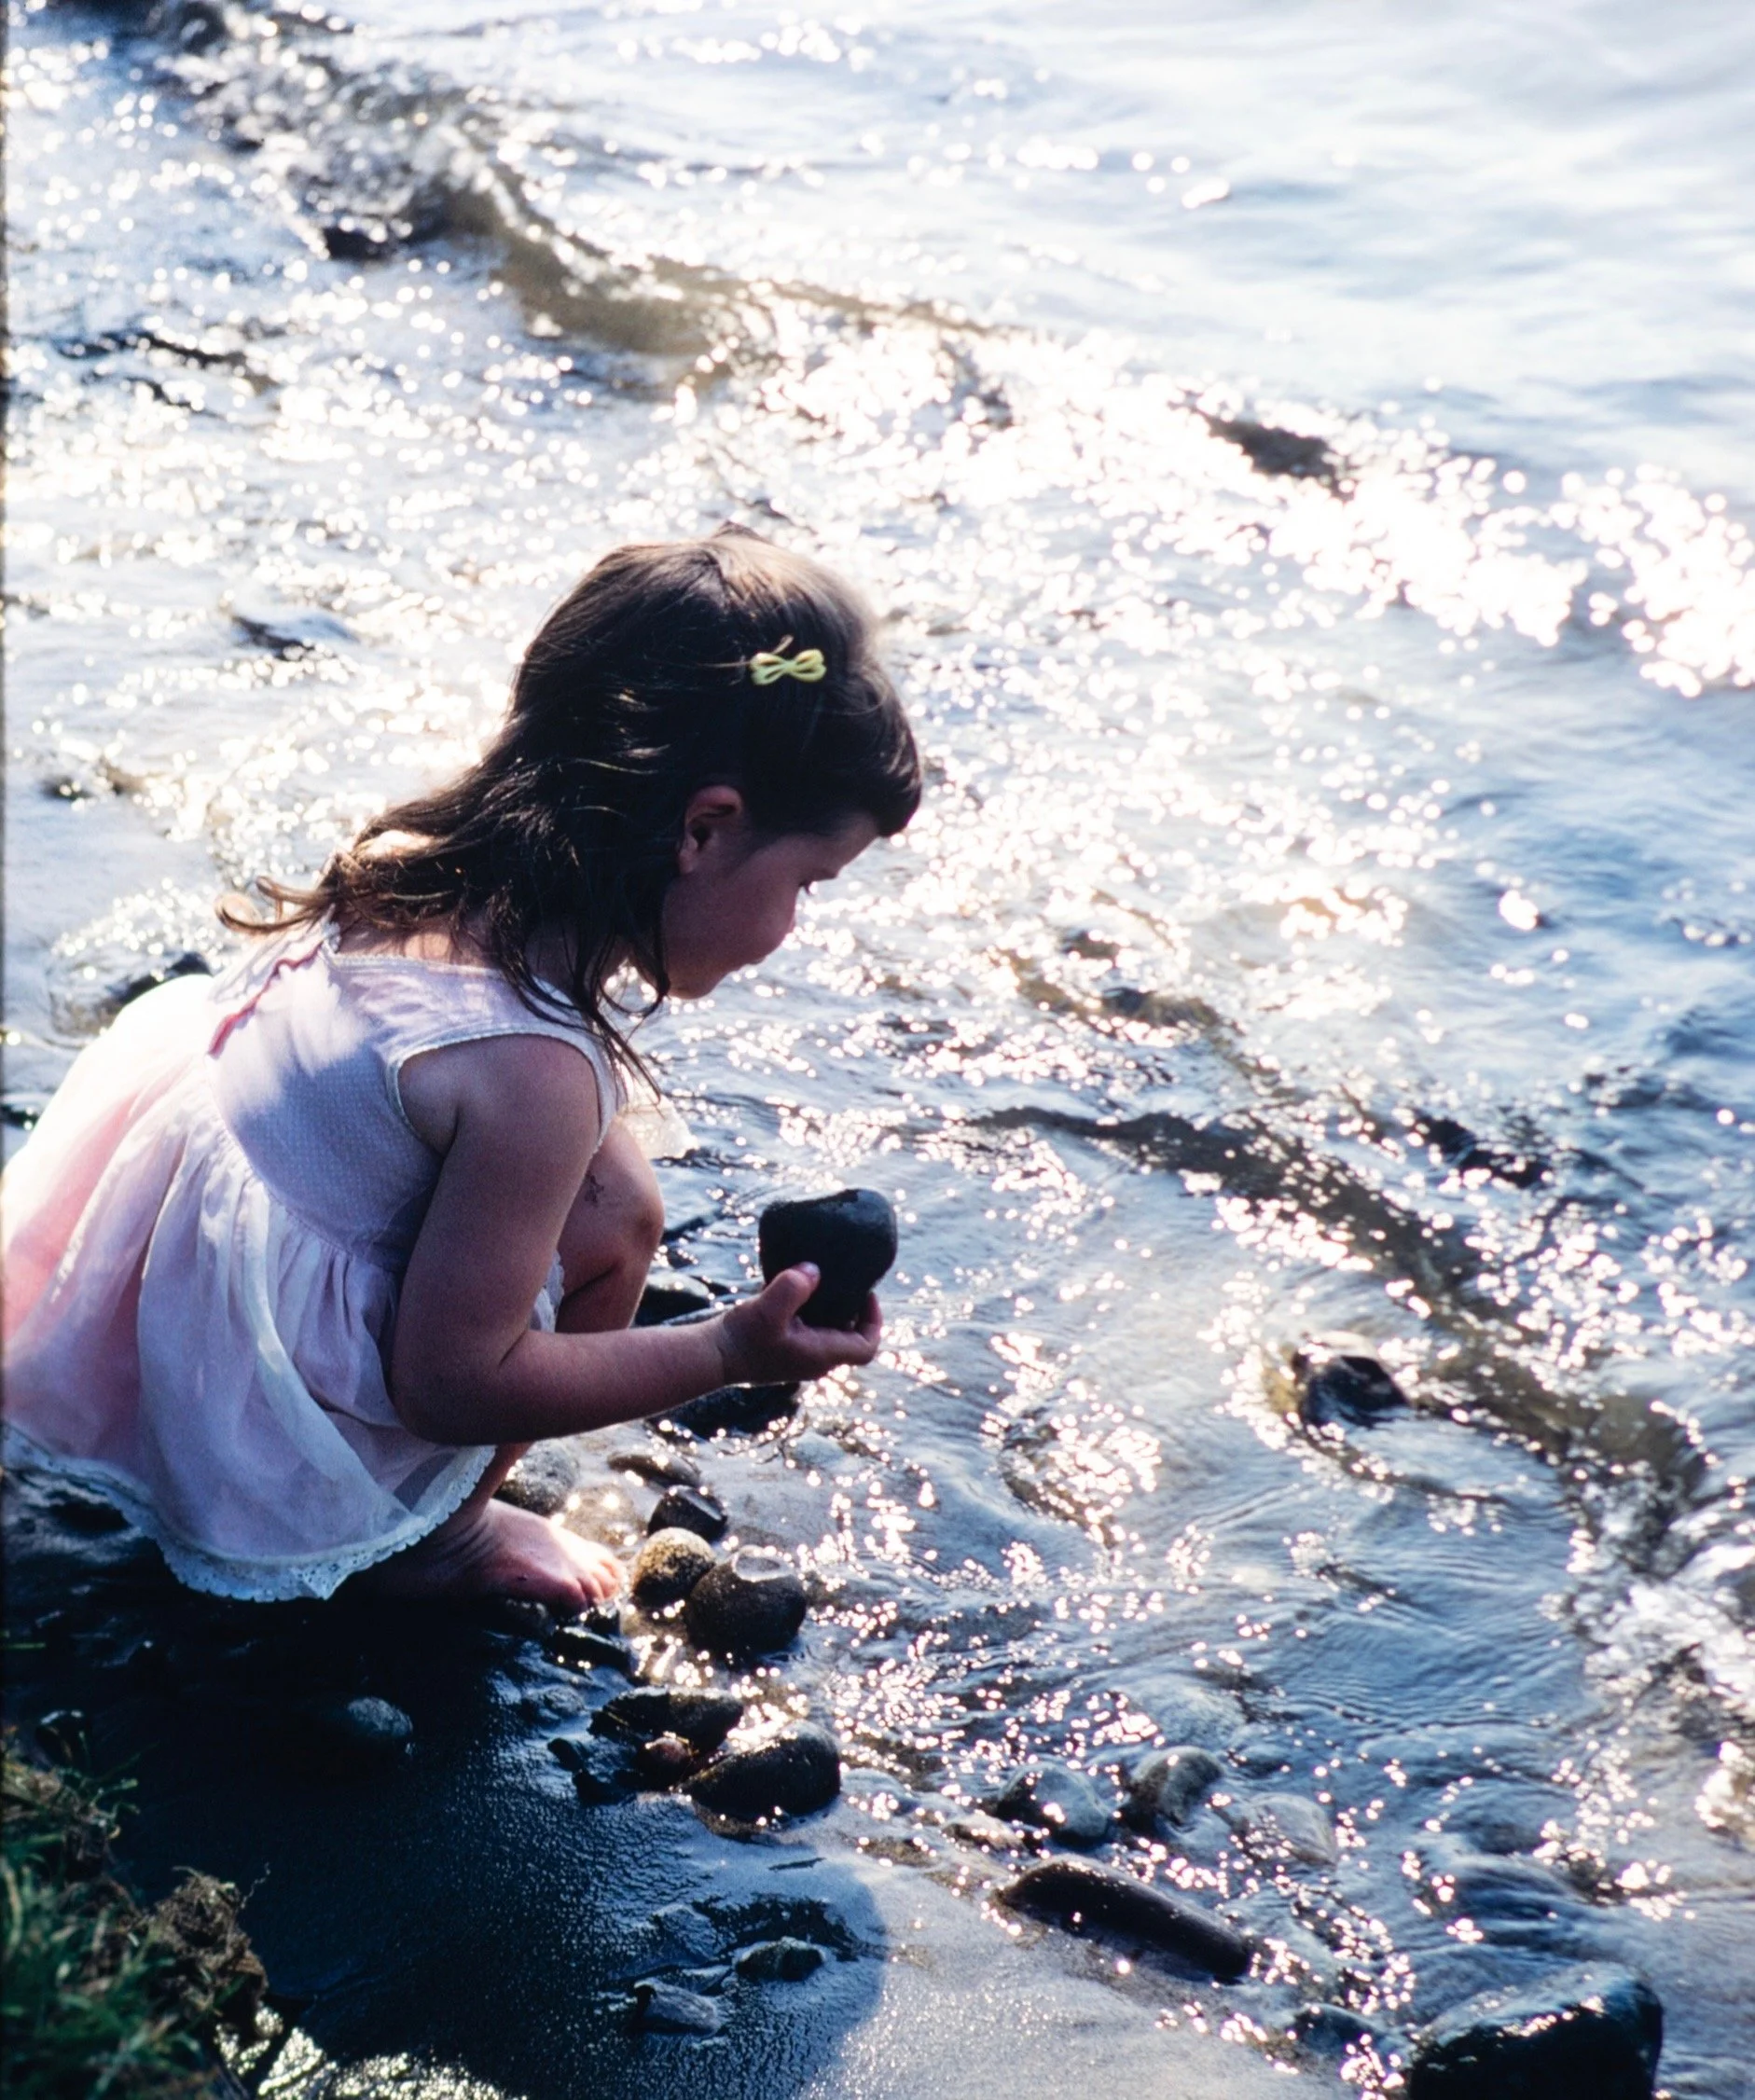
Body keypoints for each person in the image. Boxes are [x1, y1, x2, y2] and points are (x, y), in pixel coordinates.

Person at [1, 527, 920, 1611]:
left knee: (619, 1203)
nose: (797, 923)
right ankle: (431, 1536)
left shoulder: (419, 866)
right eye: (809, 882)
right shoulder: (533, 1071)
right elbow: (448, 1381)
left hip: (169, 1254)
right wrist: (725, 1348)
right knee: (613, 1234)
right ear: (705, 829)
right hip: (248, 1403)